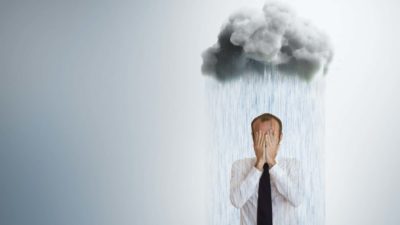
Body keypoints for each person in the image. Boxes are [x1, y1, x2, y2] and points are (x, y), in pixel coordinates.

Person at [230, 113, 305, 225]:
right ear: (253, 138)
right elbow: (236, 201)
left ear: (280, 137)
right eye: (260, 135)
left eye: (271, 135)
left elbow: (297, 199)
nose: (265, 141)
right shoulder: (239, 166)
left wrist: (272, 164)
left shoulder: (293, 166)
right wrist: (258, 165)